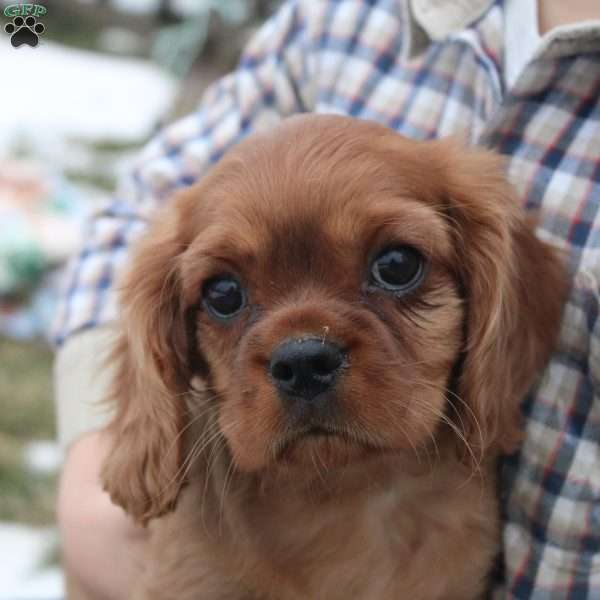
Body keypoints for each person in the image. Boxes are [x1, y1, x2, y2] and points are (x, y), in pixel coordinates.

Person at [54, 0, 600, 597]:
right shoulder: (340, 18)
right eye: (226, 296)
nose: (301, 355)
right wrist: (100, 468)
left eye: (396, 268)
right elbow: (139, 207)